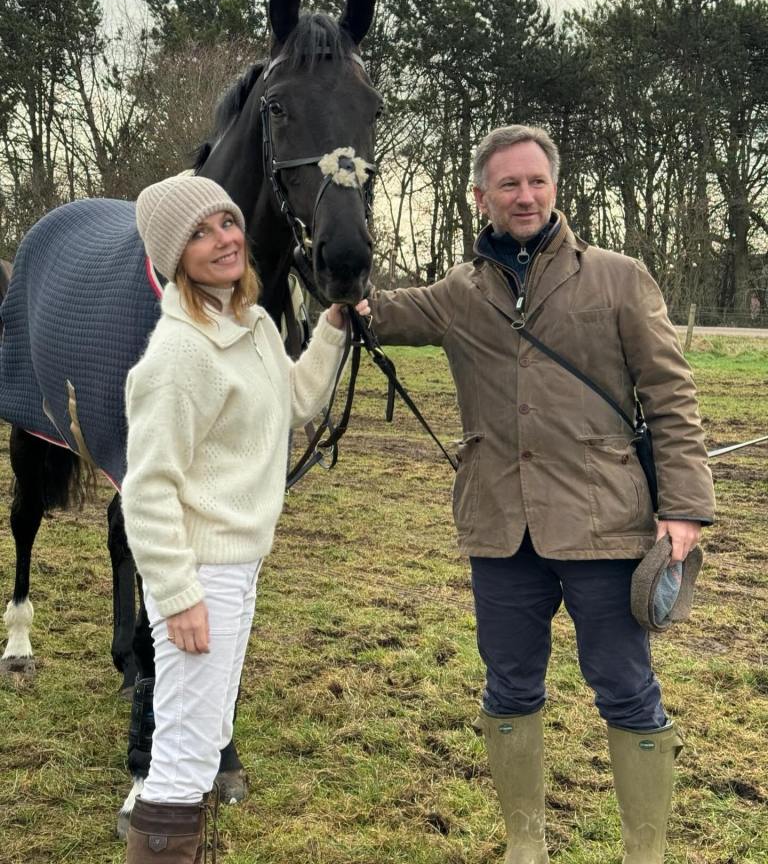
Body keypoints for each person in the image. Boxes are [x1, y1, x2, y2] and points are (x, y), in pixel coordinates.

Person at [369, 125, 715, 863]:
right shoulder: (457, 293)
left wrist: (682, 506)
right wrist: (327, 253)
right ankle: (526, 847)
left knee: (625, 687)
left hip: (605, 523)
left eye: (536, 182)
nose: (524, 195)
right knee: (509, 686)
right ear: (481, 196)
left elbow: (670, 393)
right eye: (508, 184)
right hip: (499, 527)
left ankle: (643, 854)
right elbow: (373, 310)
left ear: (555, 188)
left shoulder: (620, 276)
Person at [121, 174, 368, 863]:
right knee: (180, 757)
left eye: (225, 222)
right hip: (202, 576)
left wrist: (332, 328)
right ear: (175, 257)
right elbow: (146, 490)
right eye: (198, 234)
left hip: (240, 565)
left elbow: (292, 401)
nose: (224, 240)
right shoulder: (177, 356)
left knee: (206, 738)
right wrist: (176, 594)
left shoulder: (250, 323)